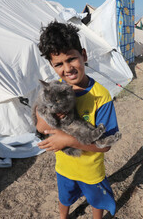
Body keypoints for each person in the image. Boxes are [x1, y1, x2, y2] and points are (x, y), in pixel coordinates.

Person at [36, 21, 118, 219]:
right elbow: (40, 127)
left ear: (84, 55)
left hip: (91, 169)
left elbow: (105, 145)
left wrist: (69, 140)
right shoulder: (53, 91)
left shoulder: (101, 96)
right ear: (52, 66)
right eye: (59, 64)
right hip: (64, 168)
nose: (67, 68)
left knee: (96, 200)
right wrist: (51, 114)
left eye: (71, 59)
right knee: (65, 197)